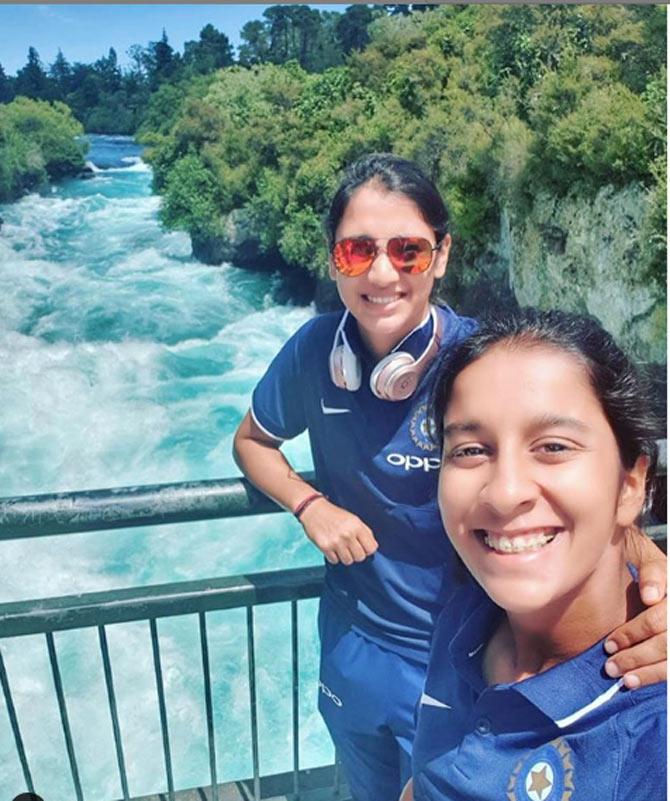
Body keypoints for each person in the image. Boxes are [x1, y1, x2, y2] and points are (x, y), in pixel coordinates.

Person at [232, 154, 667, 801]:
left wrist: (650, 569)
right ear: (332, 260)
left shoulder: (481, 369)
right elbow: (252, 440)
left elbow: (586, 481)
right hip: (360, 636)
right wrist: (308, 503)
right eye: (357, 251)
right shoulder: (312, 353)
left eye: (408, 251)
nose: (382, 273)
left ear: (440, 256)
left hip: (453, 634)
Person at [405, 309, 666, 801]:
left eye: (552, 446)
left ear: (631, 484)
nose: (504, 494)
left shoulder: (651, 745)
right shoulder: (468, 617)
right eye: (469, 450)